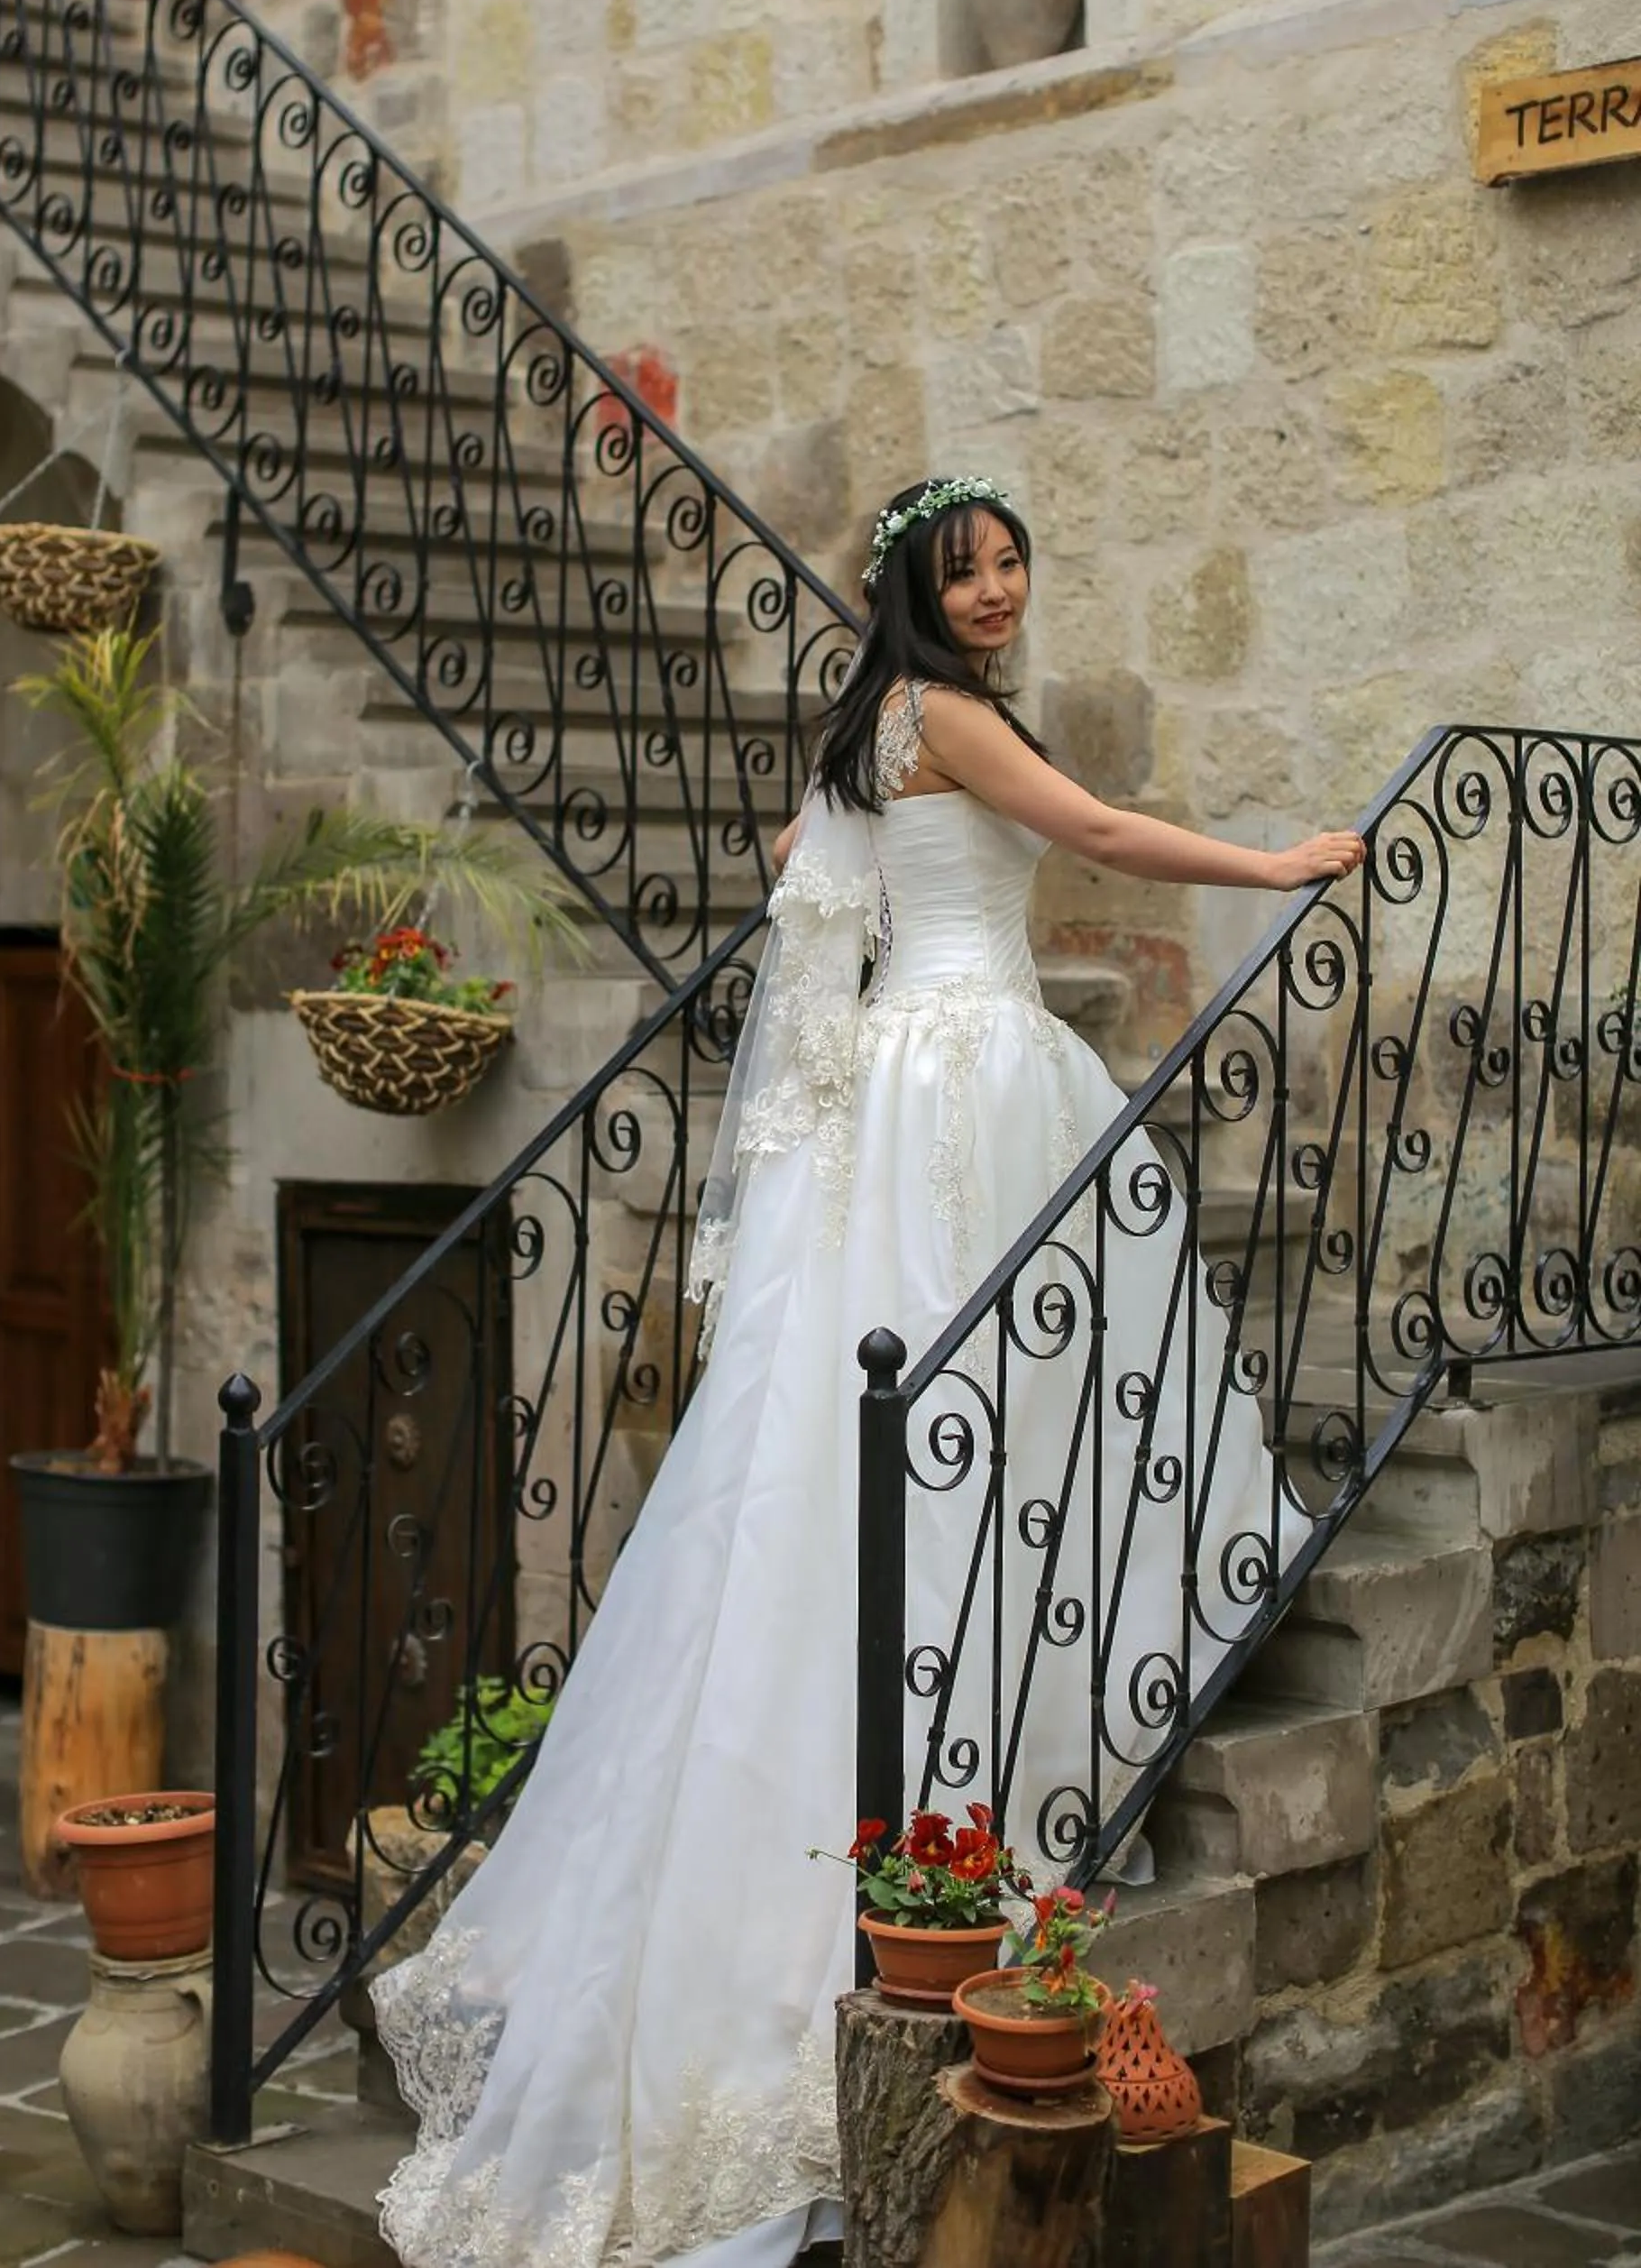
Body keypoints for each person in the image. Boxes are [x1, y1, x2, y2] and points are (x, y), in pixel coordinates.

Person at [374, 473, 1366, 2268]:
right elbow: (1109, 837)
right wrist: (1275, 865)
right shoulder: (957, 724)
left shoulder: (866, 732)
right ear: (915, 589)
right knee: (980, 1415)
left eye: (1009, 561)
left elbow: (800, 885)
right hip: (970, 1068)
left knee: (894, 1438)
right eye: (962, 568)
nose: (995, 587)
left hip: (906, 1076)